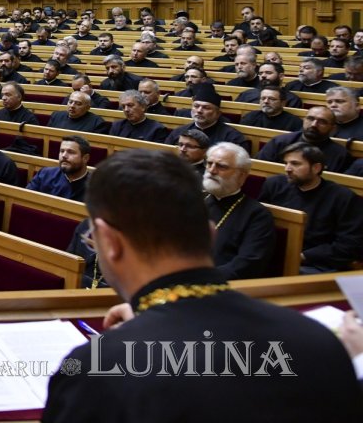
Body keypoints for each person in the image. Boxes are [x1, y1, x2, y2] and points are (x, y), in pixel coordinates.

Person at [42, 149, 362, 422]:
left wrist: (151, 321)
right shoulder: (322, 343)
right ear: (210, 236)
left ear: (108, 243)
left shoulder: (94, 369)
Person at [258, 143, 363, 273]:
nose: (288, 169)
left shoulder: (343, 197)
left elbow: (349, 244)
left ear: (316, 168)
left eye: (295, 164)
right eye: (286, 163)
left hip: (314, 263)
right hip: (271, 253)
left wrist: (302, 256)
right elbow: (258, 222)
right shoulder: (274, 184)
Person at [202, 143, 275, 281]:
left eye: (221, 166)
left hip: (221, 286)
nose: (212, 170)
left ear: (241, 176)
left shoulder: (257, 215)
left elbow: (248, 264)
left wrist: (202, 278)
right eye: (209, 163)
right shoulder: (194, 201)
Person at [256, 105, 352, 174]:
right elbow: (259, 169)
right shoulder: (280, 141)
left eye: (322, 122)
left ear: (333, 128)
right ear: (304, 120)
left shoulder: (340, 155)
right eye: (310, 119)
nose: (314, 124)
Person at [164, 83, 248, 150]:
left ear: (218, 114)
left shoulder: (232, 138)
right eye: (196, 106)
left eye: (206, 108)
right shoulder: (179, 131)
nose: (199, 111)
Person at [25, 135, 90, 201]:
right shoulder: (45, 174)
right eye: (62, 151)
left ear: (85, 158)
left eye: (71, 152)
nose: (64, 155)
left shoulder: (96, 187)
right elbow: (26, 201)